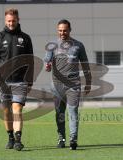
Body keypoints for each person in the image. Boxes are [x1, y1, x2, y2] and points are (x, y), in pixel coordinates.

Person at [0, 8, 33, 151]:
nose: (11, 23)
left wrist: (29, 80)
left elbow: (30, 61)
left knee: (17, 109)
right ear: (5, 21)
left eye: (14, 20)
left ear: (18, 20)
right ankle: (10, 138)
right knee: (7, 111)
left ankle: (18, 140)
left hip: (20, 81)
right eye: (9, 21)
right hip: (3, 81)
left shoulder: (25, 38)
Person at [44, 19, 92, 150]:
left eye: (65, 30)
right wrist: (47, 66)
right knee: (59, 113)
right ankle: (61, 138)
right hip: (57, 85)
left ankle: (73, 139)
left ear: (70, 30)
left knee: (73, 112)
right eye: (60, 30)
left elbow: (85, 65)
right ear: (57, 30)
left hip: (73, 85)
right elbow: (47, 61)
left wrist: (88, 82)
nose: (62, 33)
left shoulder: (78, 45)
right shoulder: (52, 45)